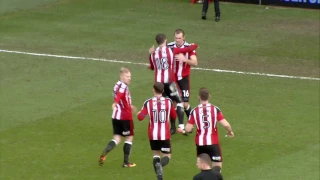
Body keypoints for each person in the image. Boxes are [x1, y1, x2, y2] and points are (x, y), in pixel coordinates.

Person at [149, 33, 198, 135]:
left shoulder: (153, 53)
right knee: (179, 102)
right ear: (166, 40)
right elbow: (185, 50)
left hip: (159, 84)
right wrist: (195, 45)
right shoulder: (171, 50)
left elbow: (152, 67)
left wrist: (150, 55)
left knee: (170, 104)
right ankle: (179, 126)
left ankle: (168, 128)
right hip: (170, 81)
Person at [185, 87, 234, 173]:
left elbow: (188, 129)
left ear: (198, 97)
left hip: (200, 144)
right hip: (213, 143)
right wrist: (230, 131)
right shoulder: (215, 109)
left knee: (203, 168)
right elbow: (226, 124)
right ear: (209, 97)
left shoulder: (194, 111)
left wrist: (189, 129)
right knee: (217, 167)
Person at [137, 82, 177, 180]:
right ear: (163, 91)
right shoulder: (168, 102)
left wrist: (138, 113)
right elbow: (174, 116)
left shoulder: (148, 102)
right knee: (167, 156)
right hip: (165, 135)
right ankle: (160, 165)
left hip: (153, 134)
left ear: (153, 90)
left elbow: (140, 117)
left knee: (155, 155)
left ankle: (159, 177)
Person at [98, 67, 137, 168]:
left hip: (115, 116)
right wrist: (115, 102)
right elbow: (120, 95)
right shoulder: (123, 86)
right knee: (129, 137)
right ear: (121, 76)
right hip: (125, 117)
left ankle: (105, 151)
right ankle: (126, 162)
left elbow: (121, 97)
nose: (129, 78)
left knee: (117, 138)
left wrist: (129, 105)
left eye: (130, 77)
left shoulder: (116, 85)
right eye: (127, 76)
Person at [167, 29, 198, 134]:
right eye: (176, 38)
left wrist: (184, 60)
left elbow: (195, 63)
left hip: (184, 78)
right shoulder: (170, 46)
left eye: (179, 38)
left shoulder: (189, 48)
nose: (177, 40)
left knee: (185, 104)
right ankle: (173, 127)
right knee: (173, 103)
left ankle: (190, 122)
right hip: (173, 79)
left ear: (184, 38)